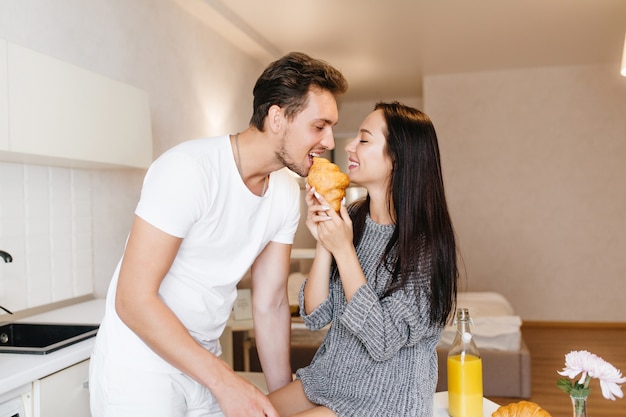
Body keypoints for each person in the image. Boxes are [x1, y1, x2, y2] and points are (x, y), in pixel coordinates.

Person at [89, 52, 347, 417]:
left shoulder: (287, 193)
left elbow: (271, 303)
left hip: (204, 361)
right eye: (319, 126)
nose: (329, 140)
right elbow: (132, 299)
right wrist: (226, 382)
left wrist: (278, 400)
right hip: (141, 364)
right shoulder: (188, 170)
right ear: (277, 118)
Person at [268, 102, 459, 417]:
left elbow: (382, 339)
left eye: (364, 139)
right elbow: (315, 316)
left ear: (397, 158)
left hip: (384, 401)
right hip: (329, 379)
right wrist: (324, 242)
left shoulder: (426, 247)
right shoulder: (354, 218)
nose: (348, 145)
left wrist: (343, 250)